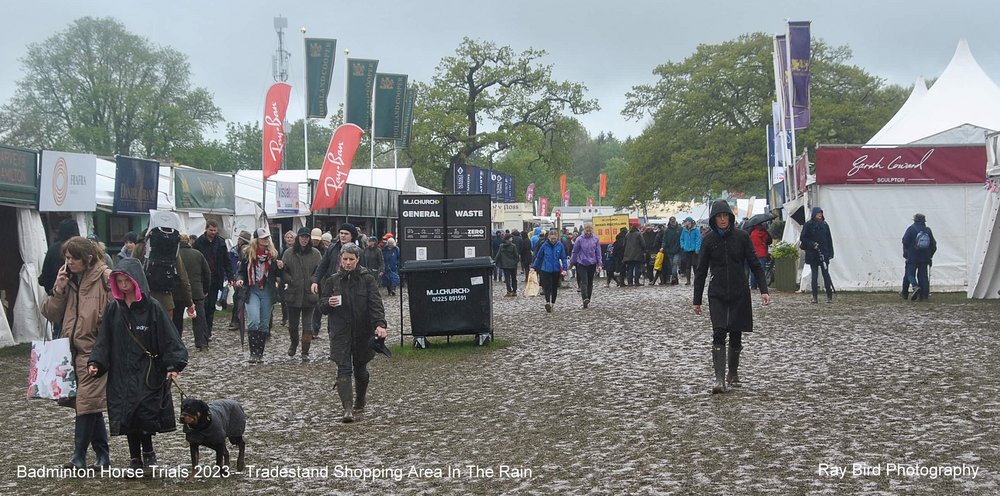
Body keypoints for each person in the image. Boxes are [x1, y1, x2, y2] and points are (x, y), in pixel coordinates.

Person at [87, 258, 187, 470]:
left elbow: (169, 338)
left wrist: (173, 365)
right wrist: (96, 361)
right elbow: (104, 340)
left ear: (136, 281)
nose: (123, 286)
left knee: (145, 412)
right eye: (120, 281)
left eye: (126, 281)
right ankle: (135, 456)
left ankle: (148, 448)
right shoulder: (114, 309)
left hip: (147, 371)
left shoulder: (153, 308)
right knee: (127, 414)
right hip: (121, 372)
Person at [40, 236, 112, 469]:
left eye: (73, 258)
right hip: (69, 354)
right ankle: (103, 455)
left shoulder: (105, 279)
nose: (69, 262)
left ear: (87, 258)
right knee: (88, 406)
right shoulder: (69, 282)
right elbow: (51, 314)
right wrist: (59, 289)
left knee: (86, 402)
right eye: (67, 258)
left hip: (96, 353)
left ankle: (78, 456)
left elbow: (116, 315)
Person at [693, 200, 770, 394]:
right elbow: (701, 270)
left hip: (739, 290)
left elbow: (755, 264)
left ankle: (733, 373)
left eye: (725, 215)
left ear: (730, 217)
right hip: (717, 292)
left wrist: (764, 290)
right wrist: (697, 300)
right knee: (719, 331)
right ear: (713, 219)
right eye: (719, 216)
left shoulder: (742, 237)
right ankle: (719, 379)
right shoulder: (708, 240)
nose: (722, 219)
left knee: (736, 333)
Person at [319, 243, 387, 423]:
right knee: (343, 368)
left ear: (357, 260)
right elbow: (321, 305)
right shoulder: (332, 281)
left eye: (351, 259)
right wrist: (328, 303)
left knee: (360, 368)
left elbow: (375, 304)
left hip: (362, 331)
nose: (347, 262)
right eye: (345, 259)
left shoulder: (367, 280)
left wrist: (380, 324)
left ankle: (360, 399)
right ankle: (347, 408)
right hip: (339, 331)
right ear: (340, 259)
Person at [235, 228, 281, 363]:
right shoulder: (248, 254)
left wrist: (280, 268)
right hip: (252, 289)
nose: (266, 240)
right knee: (254, 319)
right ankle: (253, 353)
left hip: (267, 290)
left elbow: (278, 274)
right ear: (256, 240)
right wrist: (239, 279)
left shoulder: (273, 255)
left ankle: (259, 353)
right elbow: (241, 271)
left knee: (264, 323)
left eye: (267, 237)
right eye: (263, 238)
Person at [281, 227, 322, 360]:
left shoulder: (315, 254)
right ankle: (294, 343)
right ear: (298, 238)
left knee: (308, 325)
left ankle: (305, 351)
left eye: (307, 237)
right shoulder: (288, 253)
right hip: (293, 293)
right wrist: (289, 280)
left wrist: (314, 281)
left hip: (309, 294)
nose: (304, 239)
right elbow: (283, 271)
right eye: (302, 237)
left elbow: (319, 271)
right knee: (292, 324)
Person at [193, 220, 234, 336]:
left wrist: (230, 276)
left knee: (211, 306)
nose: (213, 232)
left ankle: (208, 331)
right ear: (206, 229)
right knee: (202, 306)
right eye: (211, 230)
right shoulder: (199, 242)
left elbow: (227, 261)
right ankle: (202, 331)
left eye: (215, 230)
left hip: (216, 278)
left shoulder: (221, 242)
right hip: (202, 279)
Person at [176, 233, 212, 351]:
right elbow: (207, 274)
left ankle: (176, 342)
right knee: (200, 318)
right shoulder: (198, 254)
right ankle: (202, 343)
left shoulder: (174, 255)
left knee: (177, 319)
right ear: (189, 242)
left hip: (178, 292)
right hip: (196, 291)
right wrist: (205, 289)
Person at [799, 207, 835, 303]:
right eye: (818, 213)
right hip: (812, 254)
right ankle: (815, 297)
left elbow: (829, 240)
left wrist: (830, 253)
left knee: (826, 275)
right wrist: (812, 244)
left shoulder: (825, 225)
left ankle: (829, 297)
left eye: (821, 213)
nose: (820, 215)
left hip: (824, 253)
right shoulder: (808, 225)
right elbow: (803, 237)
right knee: (814, 276)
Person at [39, 218, 81, 296]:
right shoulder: (79, 248)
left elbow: (44, 276)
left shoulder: (52, 249)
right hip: (76, 294)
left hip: (54, 293)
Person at [902, 213, 937, 301]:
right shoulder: (927, 230)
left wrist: (907, 252)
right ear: (924, 221)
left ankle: (915, 286)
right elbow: (933, 245)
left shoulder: (911, 229)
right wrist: (930, 256)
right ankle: (924, 296)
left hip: (912, 256)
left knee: (910, 274)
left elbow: (905, 241)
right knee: (923, 276)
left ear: (914, 220)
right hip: (925, 258)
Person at [533, 228, 569, 313]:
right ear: (548, 237)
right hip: (545, 269)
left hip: (556, 269)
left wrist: (565, 269)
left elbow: (563, 258)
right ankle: (547, 302)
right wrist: (533, 267)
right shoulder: (544, 245)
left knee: (554, 287)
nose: (553, 240)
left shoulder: (560, 245)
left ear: (557, 237)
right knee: (546, 287)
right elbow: (539, 257)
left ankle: (553, 303)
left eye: (554, 239)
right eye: (551, 238)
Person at [569, 223, 602, 308]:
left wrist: (599, 263)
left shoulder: (595, 239)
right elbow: (575, 251)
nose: (588, 232)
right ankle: (585, 298)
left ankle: (588, 299)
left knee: (590, 282)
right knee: (584, 281)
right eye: (587, 230)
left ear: (592, 230)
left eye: (589, 230)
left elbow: (598, 252)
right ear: (584, 230)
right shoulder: (579, 239)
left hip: (592, 263)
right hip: (581, 263)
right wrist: (572, 262)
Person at [227, 231, 252, 331]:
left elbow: (241, 265)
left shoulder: (244, 249)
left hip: (243, 278)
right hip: (240, 276)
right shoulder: (237, 249)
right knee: (238, 299)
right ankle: (236, 320)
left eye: (240, 239)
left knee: (239, 300)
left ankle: (237, 321)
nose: (239, 240)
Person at [679, 217, 702, 285]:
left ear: (689, 222)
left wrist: (697, 248)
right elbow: (681, 239)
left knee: (695, 265)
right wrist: (683, 246)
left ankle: (696, 280)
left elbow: (698, 239)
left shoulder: (696, 230)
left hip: (694, 250)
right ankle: (688, 281)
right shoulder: (684, 230)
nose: (685, 223)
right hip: (687, 250)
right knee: (687, 266)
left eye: (686, 221)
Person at [749, 224, 772, 290]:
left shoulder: (752, 233)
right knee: (761, 271)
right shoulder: (764, 233)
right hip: (763, 253)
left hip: (754, 253)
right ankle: (761, 285)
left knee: (753, 270)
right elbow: (769, 241)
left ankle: (753, 285)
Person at [660, 218, 682, 285]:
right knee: (672, 265)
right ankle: (675, 279)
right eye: (672, 222)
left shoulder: (680, 229)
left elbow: (682, 238)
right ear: (670, 222)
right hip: (669, 251)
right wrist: (662, 247)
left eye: (674, 221)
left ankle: (673, 278)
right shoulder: (667, 230)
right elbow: (664, 240)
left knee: (675, 264)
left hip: (678, 250)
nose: (673, 223)